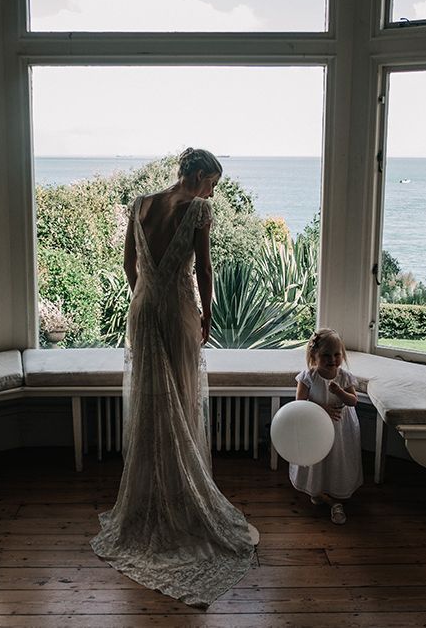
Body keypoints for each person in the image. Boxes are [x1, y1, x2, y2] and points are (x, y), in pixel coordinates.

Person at [90, 148, 257, 608]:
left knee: (149, 401)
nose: (212, 193)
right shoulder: (198, 210)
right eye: (213, 183)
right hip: (179, 310)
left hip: (143, 310)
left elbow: (130, 266)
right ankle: (180, 500)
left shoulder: (140, 204)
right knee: (181, 399)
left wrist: (148, 294)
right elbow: (204, 268)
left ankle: (146, 499)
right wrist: (207, 315)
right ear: (199, 175)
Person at [289, 328, 362, 525]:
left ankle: (335, 493)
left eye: (337, 354)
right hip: (315, 427)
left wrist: (339, 392)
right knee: (318, 458)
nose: (332, 360)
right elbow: (300, 402)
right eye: (326, 355)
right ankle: (318, 490)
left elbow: (353, 401)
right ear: (314, 355)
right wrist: (322, 408)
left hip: (341, 427)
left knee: (337, 458)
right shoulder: (308, 376)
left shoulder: (344, 376)